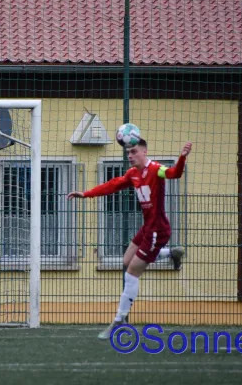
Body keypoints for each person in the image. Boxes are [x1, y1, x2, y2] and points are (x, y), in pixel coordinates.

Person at [67, 139, 192, 340]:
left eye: (134, 151)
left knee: (132, 272)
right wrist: (86, 194)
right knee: (126, 261)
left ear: (144, 151)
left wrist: (182, 157)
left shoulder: (156, 170)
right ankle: (171, 253)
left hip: (157, 231)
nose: (130, 156)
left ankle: (119, 320)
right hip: (147, 228)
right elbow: (112, 185)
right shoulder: (133, 174)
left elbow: (174, 173)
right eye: (128, 153)